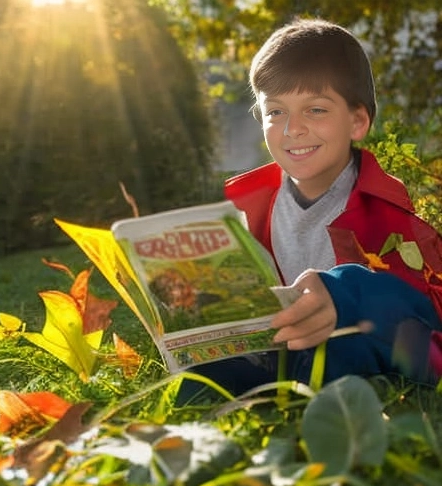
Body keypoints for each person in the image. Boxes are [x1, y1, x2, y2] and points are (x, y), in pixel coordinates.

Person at [177, 17, 442, 403]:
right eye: (276, 112)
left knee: (341, 346)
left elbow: (429, 334)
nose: (292, 129)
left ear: (357, 121)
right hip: (269, 358)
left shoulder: (391, 220)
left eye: (315, 110)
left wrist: (347, 295)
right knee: (198, 375)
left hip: (341, 368)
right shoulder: (247, 212)